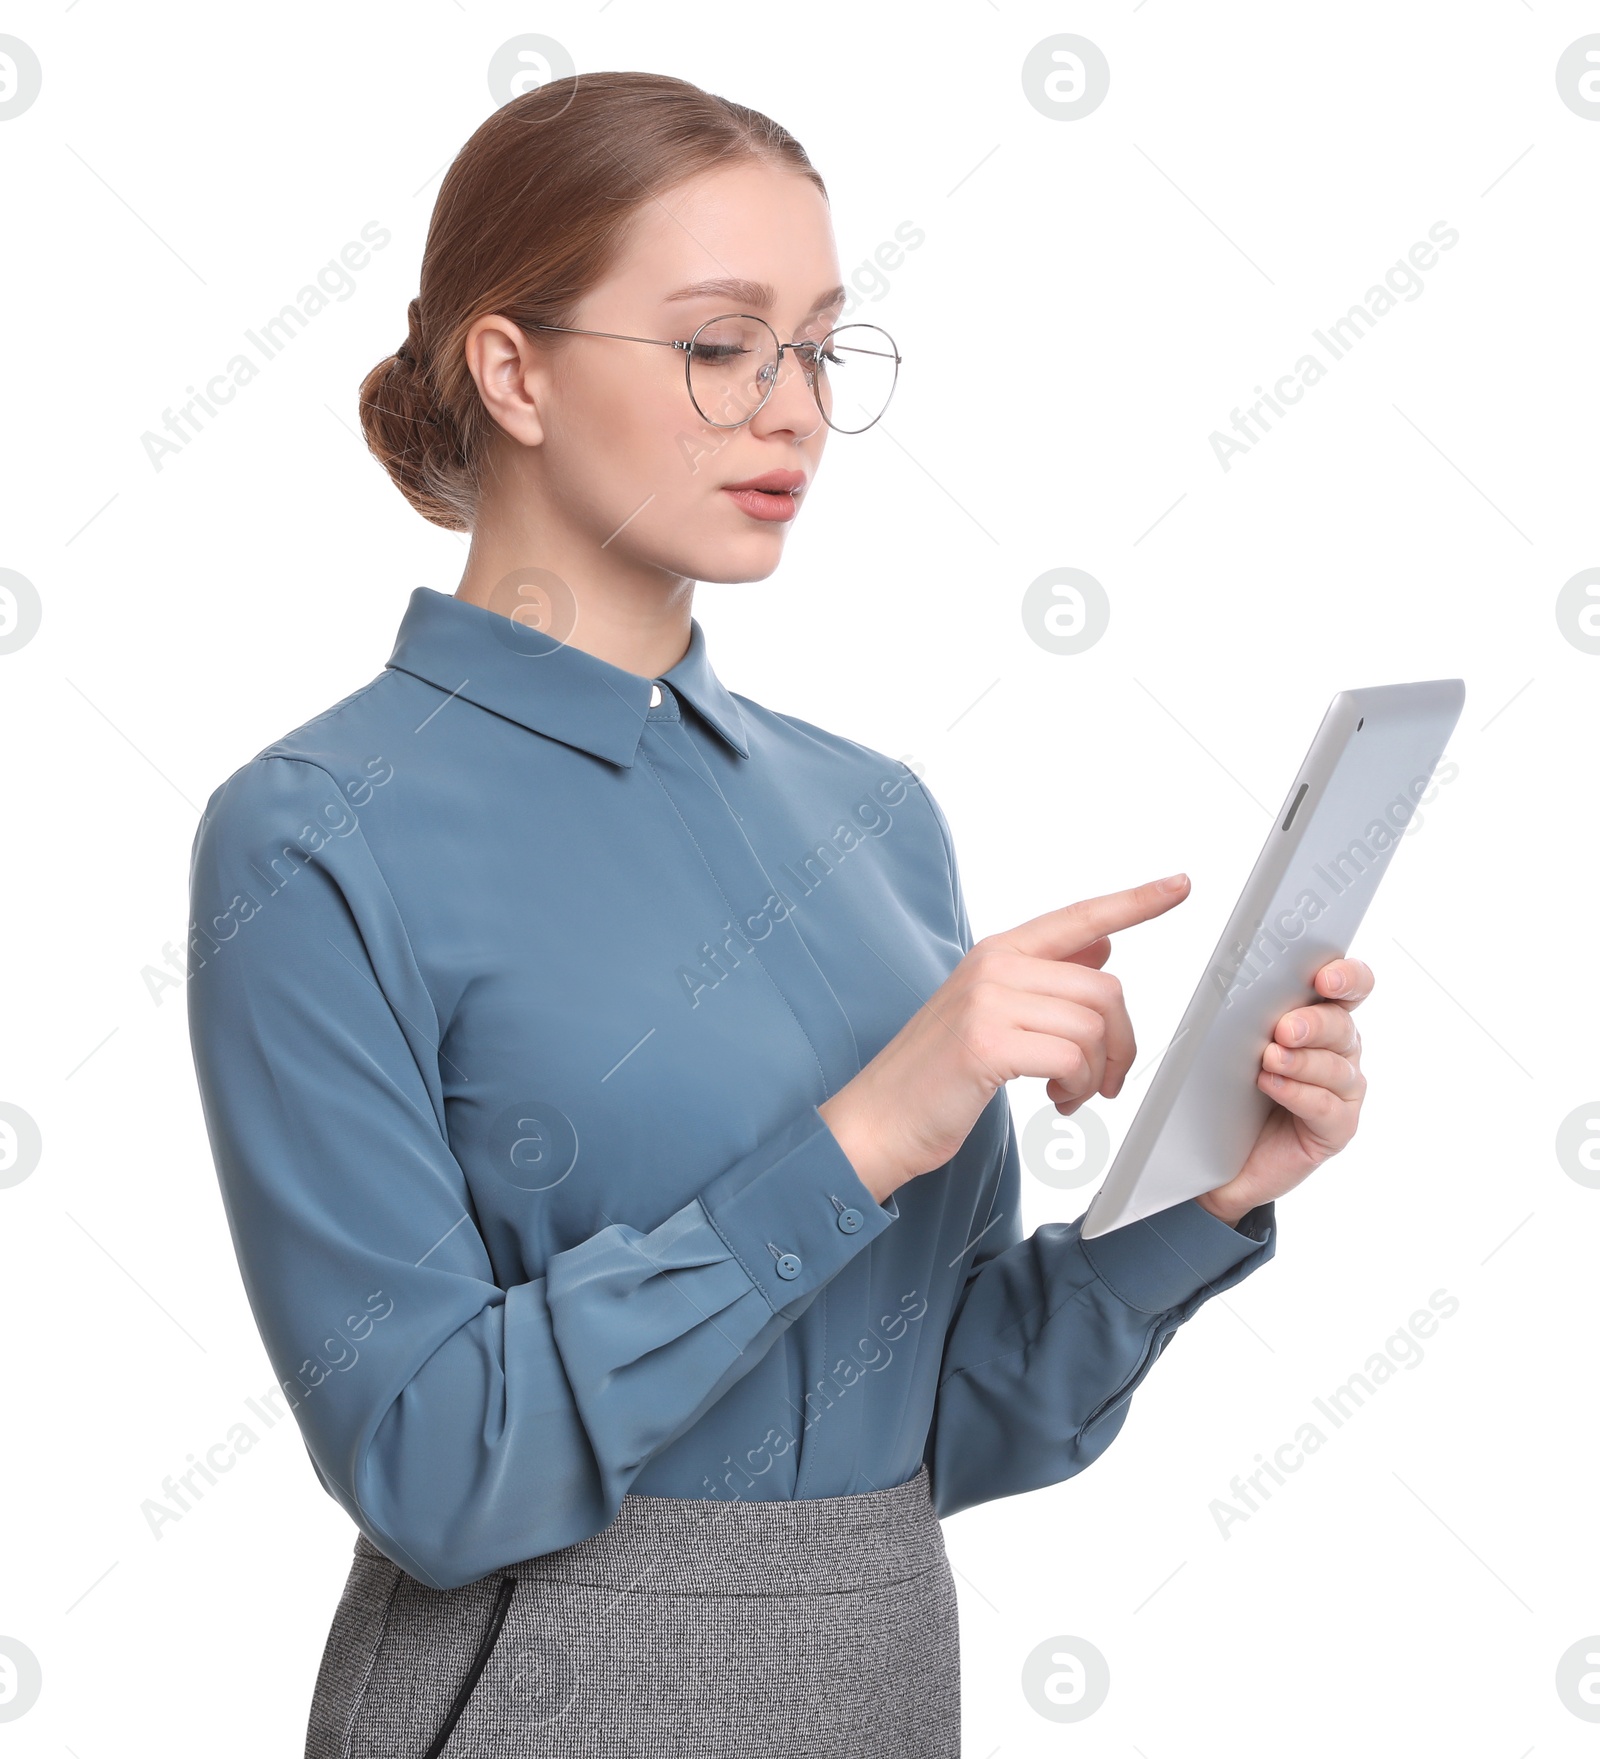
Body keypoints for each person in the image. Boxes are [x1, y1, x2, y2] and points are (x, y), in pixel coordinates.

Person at [185, 70, 1372, 1758]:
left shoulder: (873, 816)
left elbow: (944, 1426)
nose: (791, 409)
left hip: (883, 1682)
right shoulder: (316, 836)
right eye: (718, 343)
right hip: (545, 1709)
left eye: (818, 345)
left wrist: (1197, 1196)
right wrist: (874, 1125)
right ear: (512, 368)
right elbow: (433, 1466)